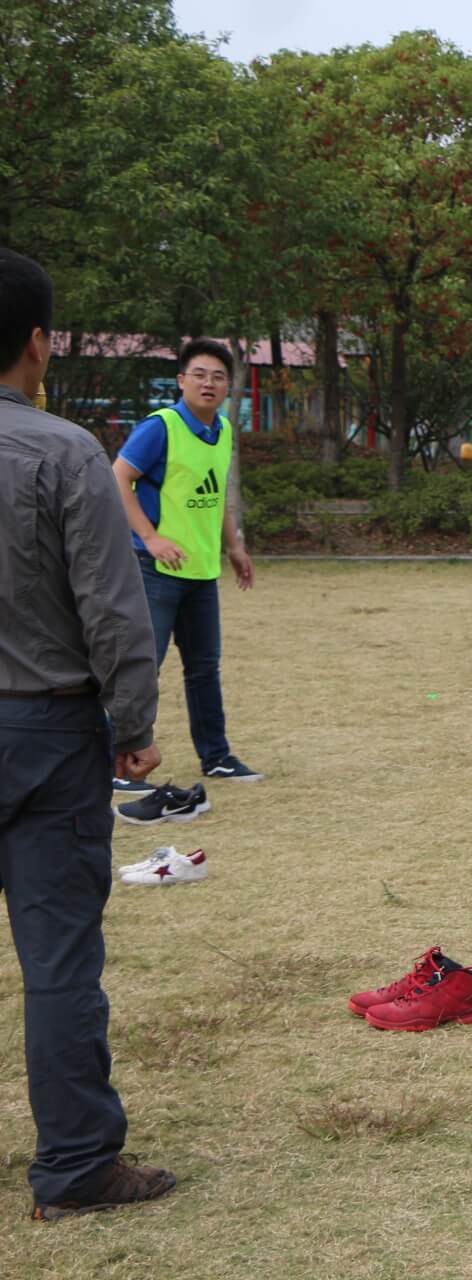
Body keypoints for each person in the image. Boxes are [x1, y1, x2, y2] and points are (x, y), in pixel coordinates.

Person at [0, 247, 176, 1220]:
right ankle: (73, 1167)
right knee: (60, 962)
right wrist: (135, 722)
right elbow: (113, 609)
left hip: (45, 727)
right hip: (45, 729)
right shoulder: (65, 452)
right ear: (38, 343)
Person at [109, 337, 260, 798]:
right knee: (141, 670)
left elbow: (215, 494)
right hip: (154, 572)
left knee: (203, 669)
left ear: (228, 386)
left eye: (218, 377)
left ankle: (217, 757)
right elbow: (118, 477)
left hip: (200, 573)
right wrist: (151, 538)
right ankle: (115, 762)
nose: (208, 384)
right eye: (199, 375)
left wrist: (233, 546)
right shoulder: (161, 427)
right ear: (181, 381)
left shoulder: (223, 430)